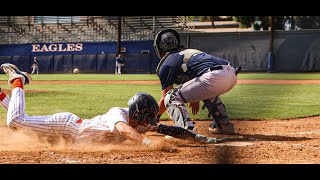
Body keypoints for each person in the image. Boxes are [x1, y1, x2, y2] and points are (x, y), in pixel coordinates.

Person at [0, 63, 224, 146]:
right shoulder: (119, 114)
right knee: (17, 122)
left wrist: (196, 137)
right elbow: (123, 130)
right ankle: (18, 80)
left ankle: (1, 96)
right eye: (147, 118)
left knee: (26, 128)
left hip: (68, 138)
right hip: (66, 126)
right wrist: (148, 144)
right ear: (136, 114)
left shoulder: (140, 121)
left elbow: (168, 129)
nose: (150, 123)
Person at [153, 28, 240, 135]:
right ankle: (224, 125)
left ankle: (185, 132)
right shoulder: (187, 52)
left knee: (170, 97)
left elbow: (164, 98)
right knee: (209, 93)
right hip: (231, 73)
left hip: (213, 76)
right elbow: (197, 72)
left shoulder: (167, 63)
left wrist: (154, 117)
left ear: (160, 48)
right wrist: (195, 98)